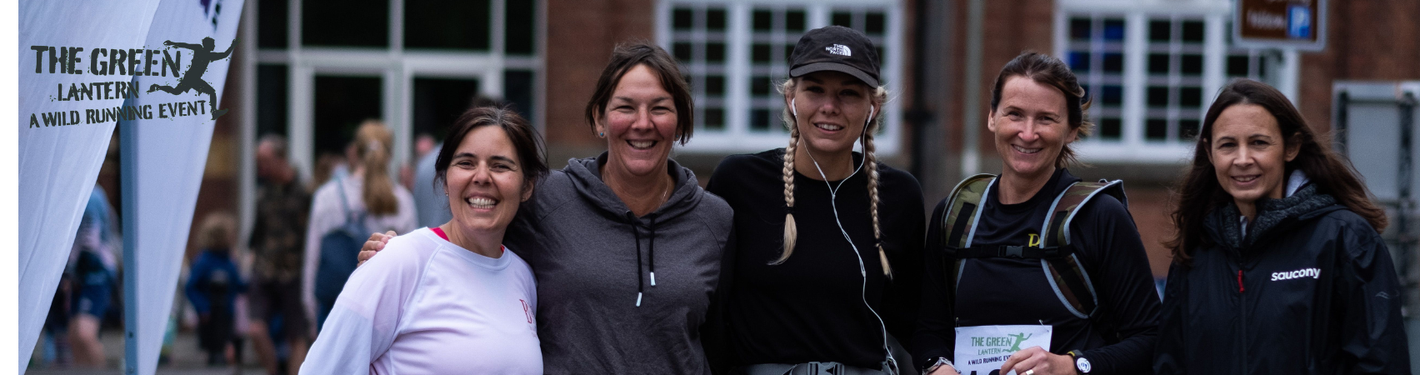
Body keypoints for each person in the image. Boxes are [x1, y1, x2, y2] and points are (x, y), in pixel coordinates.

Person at [359, 42, 735, 374]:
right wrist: (401, 257)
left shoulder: (715, 220)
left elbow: (724, 346)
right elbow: (467, 248)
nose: (642, 123)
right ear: (598, 118)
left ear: (681, 121)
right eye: (625, 107)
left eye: (659, 108)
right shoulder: (545, 198)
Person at [913, 52, 1162, 375]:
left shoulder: (1099, 216)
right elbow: (929, 329)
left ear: (1072, 129)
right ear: (992, 117)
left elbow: (1152, 337)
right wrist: (937, 367)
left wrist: (1072, 366)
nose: (1028, 134)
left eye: (1046, 119)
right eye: (1015, 114)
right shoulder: (956, 215)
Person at [704, 25, 925, 375]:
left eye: (848, 93)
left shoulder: (899, 196)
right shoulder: (738, 182)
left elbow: (916, 320)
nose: (829, 107)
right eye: (815, 89)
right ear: (791, 97)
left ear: (874, 105)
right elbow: (707, 307)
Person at [1151, 79, 1409, 374]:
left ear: (1291, 147)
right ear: (1210, 154)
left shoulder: (1345, 239)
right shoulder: (1197, 247)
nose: (1243, 159)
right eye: (1228, 145)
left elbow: (1382, 363)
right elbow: (1171, 363)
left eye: (1259, 143)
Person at [300, 105, 550, 373]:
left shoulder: (524, 276)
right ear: (444, 180)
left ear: (527, 186)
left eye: (500, 166)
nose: (481, 177)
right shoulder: (398, 262)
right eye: (465, 163)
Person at [302, 120, 417, 333]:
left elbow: (313, 257)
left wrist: (310, 309)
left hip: (333, 305)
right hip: (383, 311)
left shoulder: (327, 196)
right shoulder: (401, 200)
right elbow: (412, 265)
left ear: (354, 152)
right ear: (389, 155)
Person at [246, 134, 314, 375]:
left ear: (280, 159)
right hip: (265, 270)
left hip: (294, 272)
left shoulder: (306, 192)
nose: (260, 168)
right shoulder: (264, 194)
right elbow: (257, 233)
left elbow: (313, 236)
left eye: (264, 161)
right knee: (255, 328)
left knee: (297, 337)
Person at [65, 185, 121, 368]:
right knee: (74, 336)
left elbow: (90, 241)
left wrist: (69, 268)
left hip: (95, 274)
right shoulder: (85, 191)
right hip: (80, 277)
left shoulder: (90, 195)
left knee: (84, 334)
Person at [184, 212, 247, 366]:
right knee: (212, 347)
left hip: (228, 313)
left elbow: (237, 284)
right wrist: (202, 307)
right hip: (209, 315)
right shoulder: (203, 261)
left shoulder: (230, 261)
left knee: (229, 343)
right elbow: (191, 287)